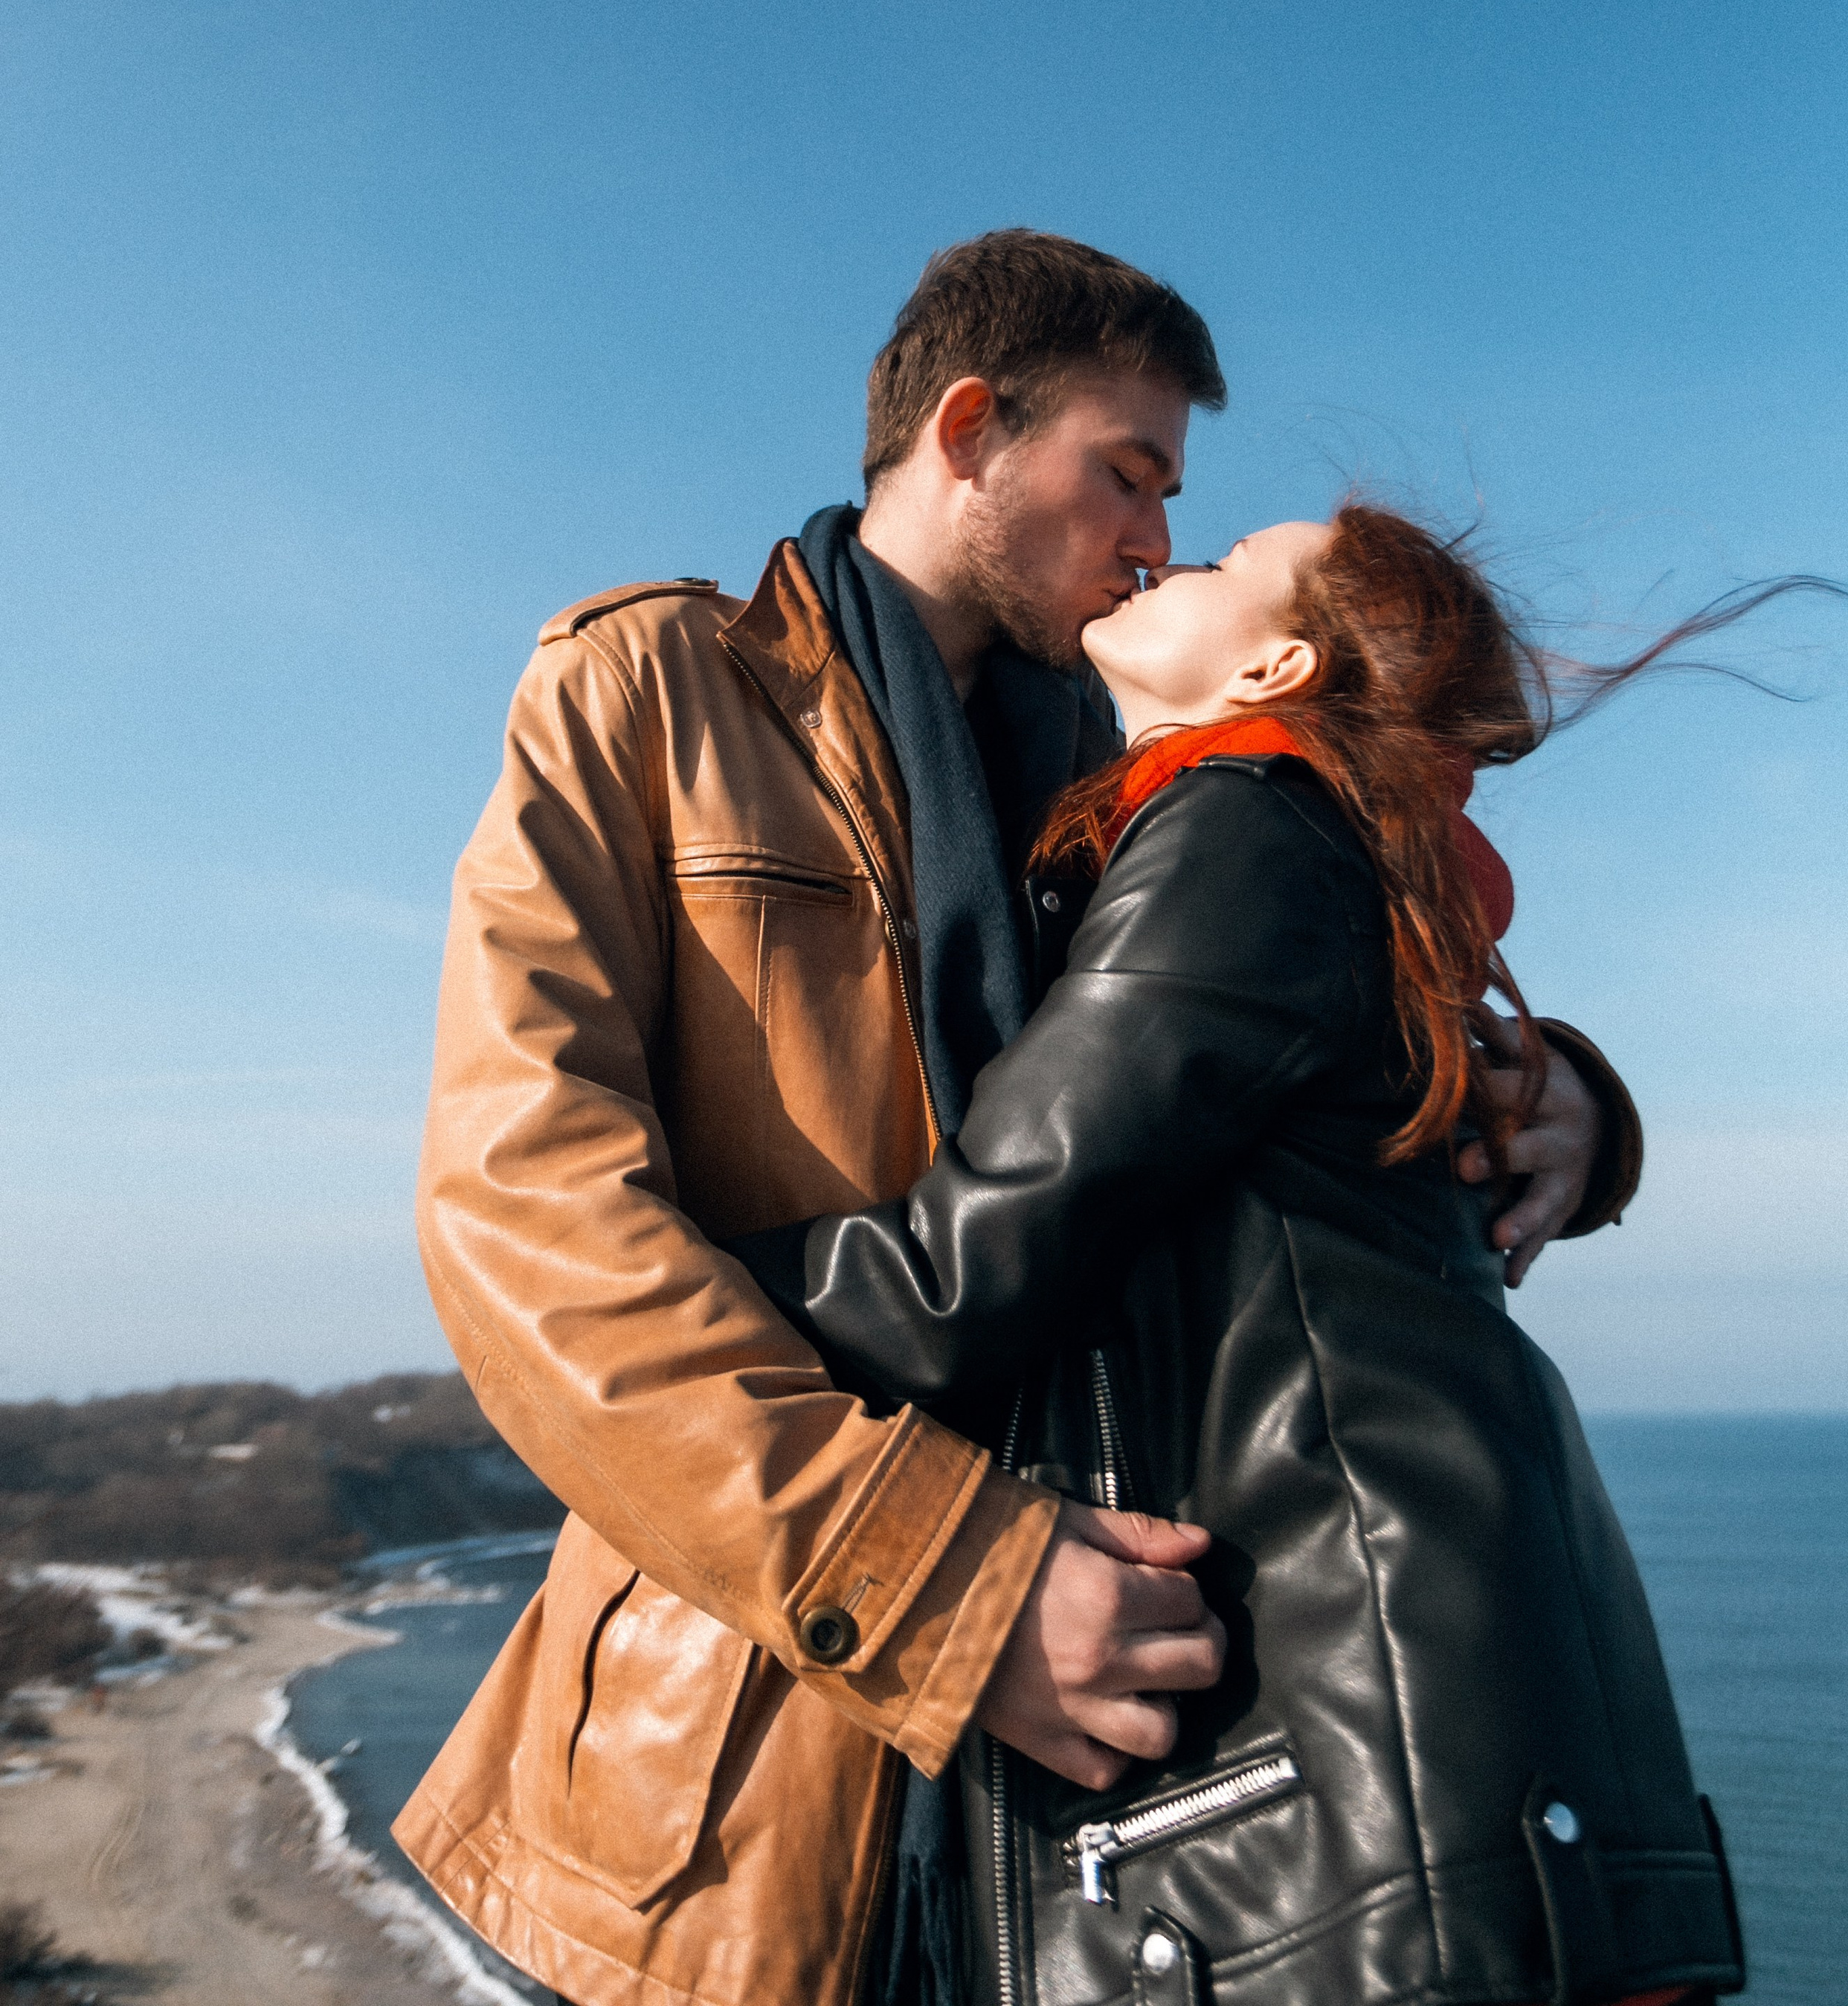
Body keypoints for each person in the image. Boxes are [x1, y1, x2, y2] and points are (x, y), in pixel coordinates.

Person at [394, 235, 1640, 2006]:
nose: (1152, 537)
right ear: (970, 431)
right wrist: (939, 1590)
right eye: (1123, 474)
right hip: (749, 1760)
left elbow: (1305, 1030)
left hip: (1132, 1793)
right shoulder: (646, 692)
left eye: (1173, 501)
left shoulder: (1151, 760)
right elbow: (521, 1217)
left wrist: (1576, 1096)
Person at [738, 507, 1771, 2006]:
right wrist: (1588, 1111)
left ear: (1274, 661)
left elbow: (963, 1270)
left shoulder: (1246, 817)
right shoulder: (1312, 843)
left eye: (1219, 560)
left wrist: (637, 1286)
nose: (1167, 555)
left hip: (1368, 1755)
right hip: (1443, 1723)